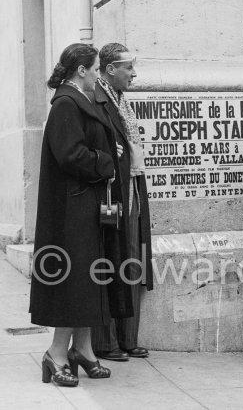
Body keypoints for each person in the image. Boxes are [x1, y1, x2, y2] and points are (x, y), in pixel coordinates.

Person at [29, 43, 132, 386]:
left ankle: (84, 351)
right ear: (82, 71)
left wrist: (108, 150)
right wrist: (106, 159)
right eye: (95, 69)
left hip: (86, 206)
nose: (98, 75)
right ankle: (57, 354)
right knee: (75, 283)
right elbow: (70, 154)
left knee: (89, 280)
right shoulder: (66, 104)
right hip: (71, 210)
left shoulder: (78, 100)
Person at [90, 43, 153, 361]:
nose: (134, 73)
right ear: (110, 68)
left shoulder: (121, 101)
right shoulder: (93, 99)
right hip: (111, 196)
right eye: (129, 67)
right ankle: (105, 342)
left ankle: (128, 338)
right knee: (108, 263)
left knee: (131, 262)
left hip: (132, 190)